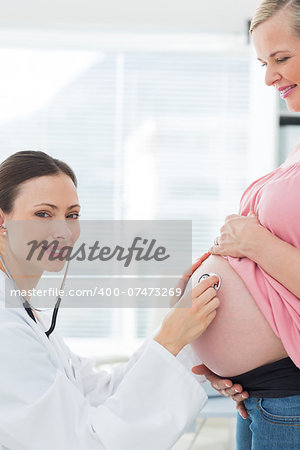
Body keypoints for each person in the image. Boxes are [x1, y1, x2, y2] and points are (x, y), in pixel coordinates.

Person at [0, 150, 234, 450]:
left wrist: (187, 343)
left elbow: (101, 392)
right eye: (43, 214)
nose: (63, 230)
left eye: (72, 215)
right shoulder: (7, 330)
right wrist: (170, 340)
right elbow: (84, 443)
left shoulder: (26, 314)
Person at [189, 1, 300, 449]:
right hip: (262, 393)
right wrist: (232, 365)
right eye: (263, 63)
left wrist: (253, 242)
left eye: (282, 58)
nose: (270, 77)